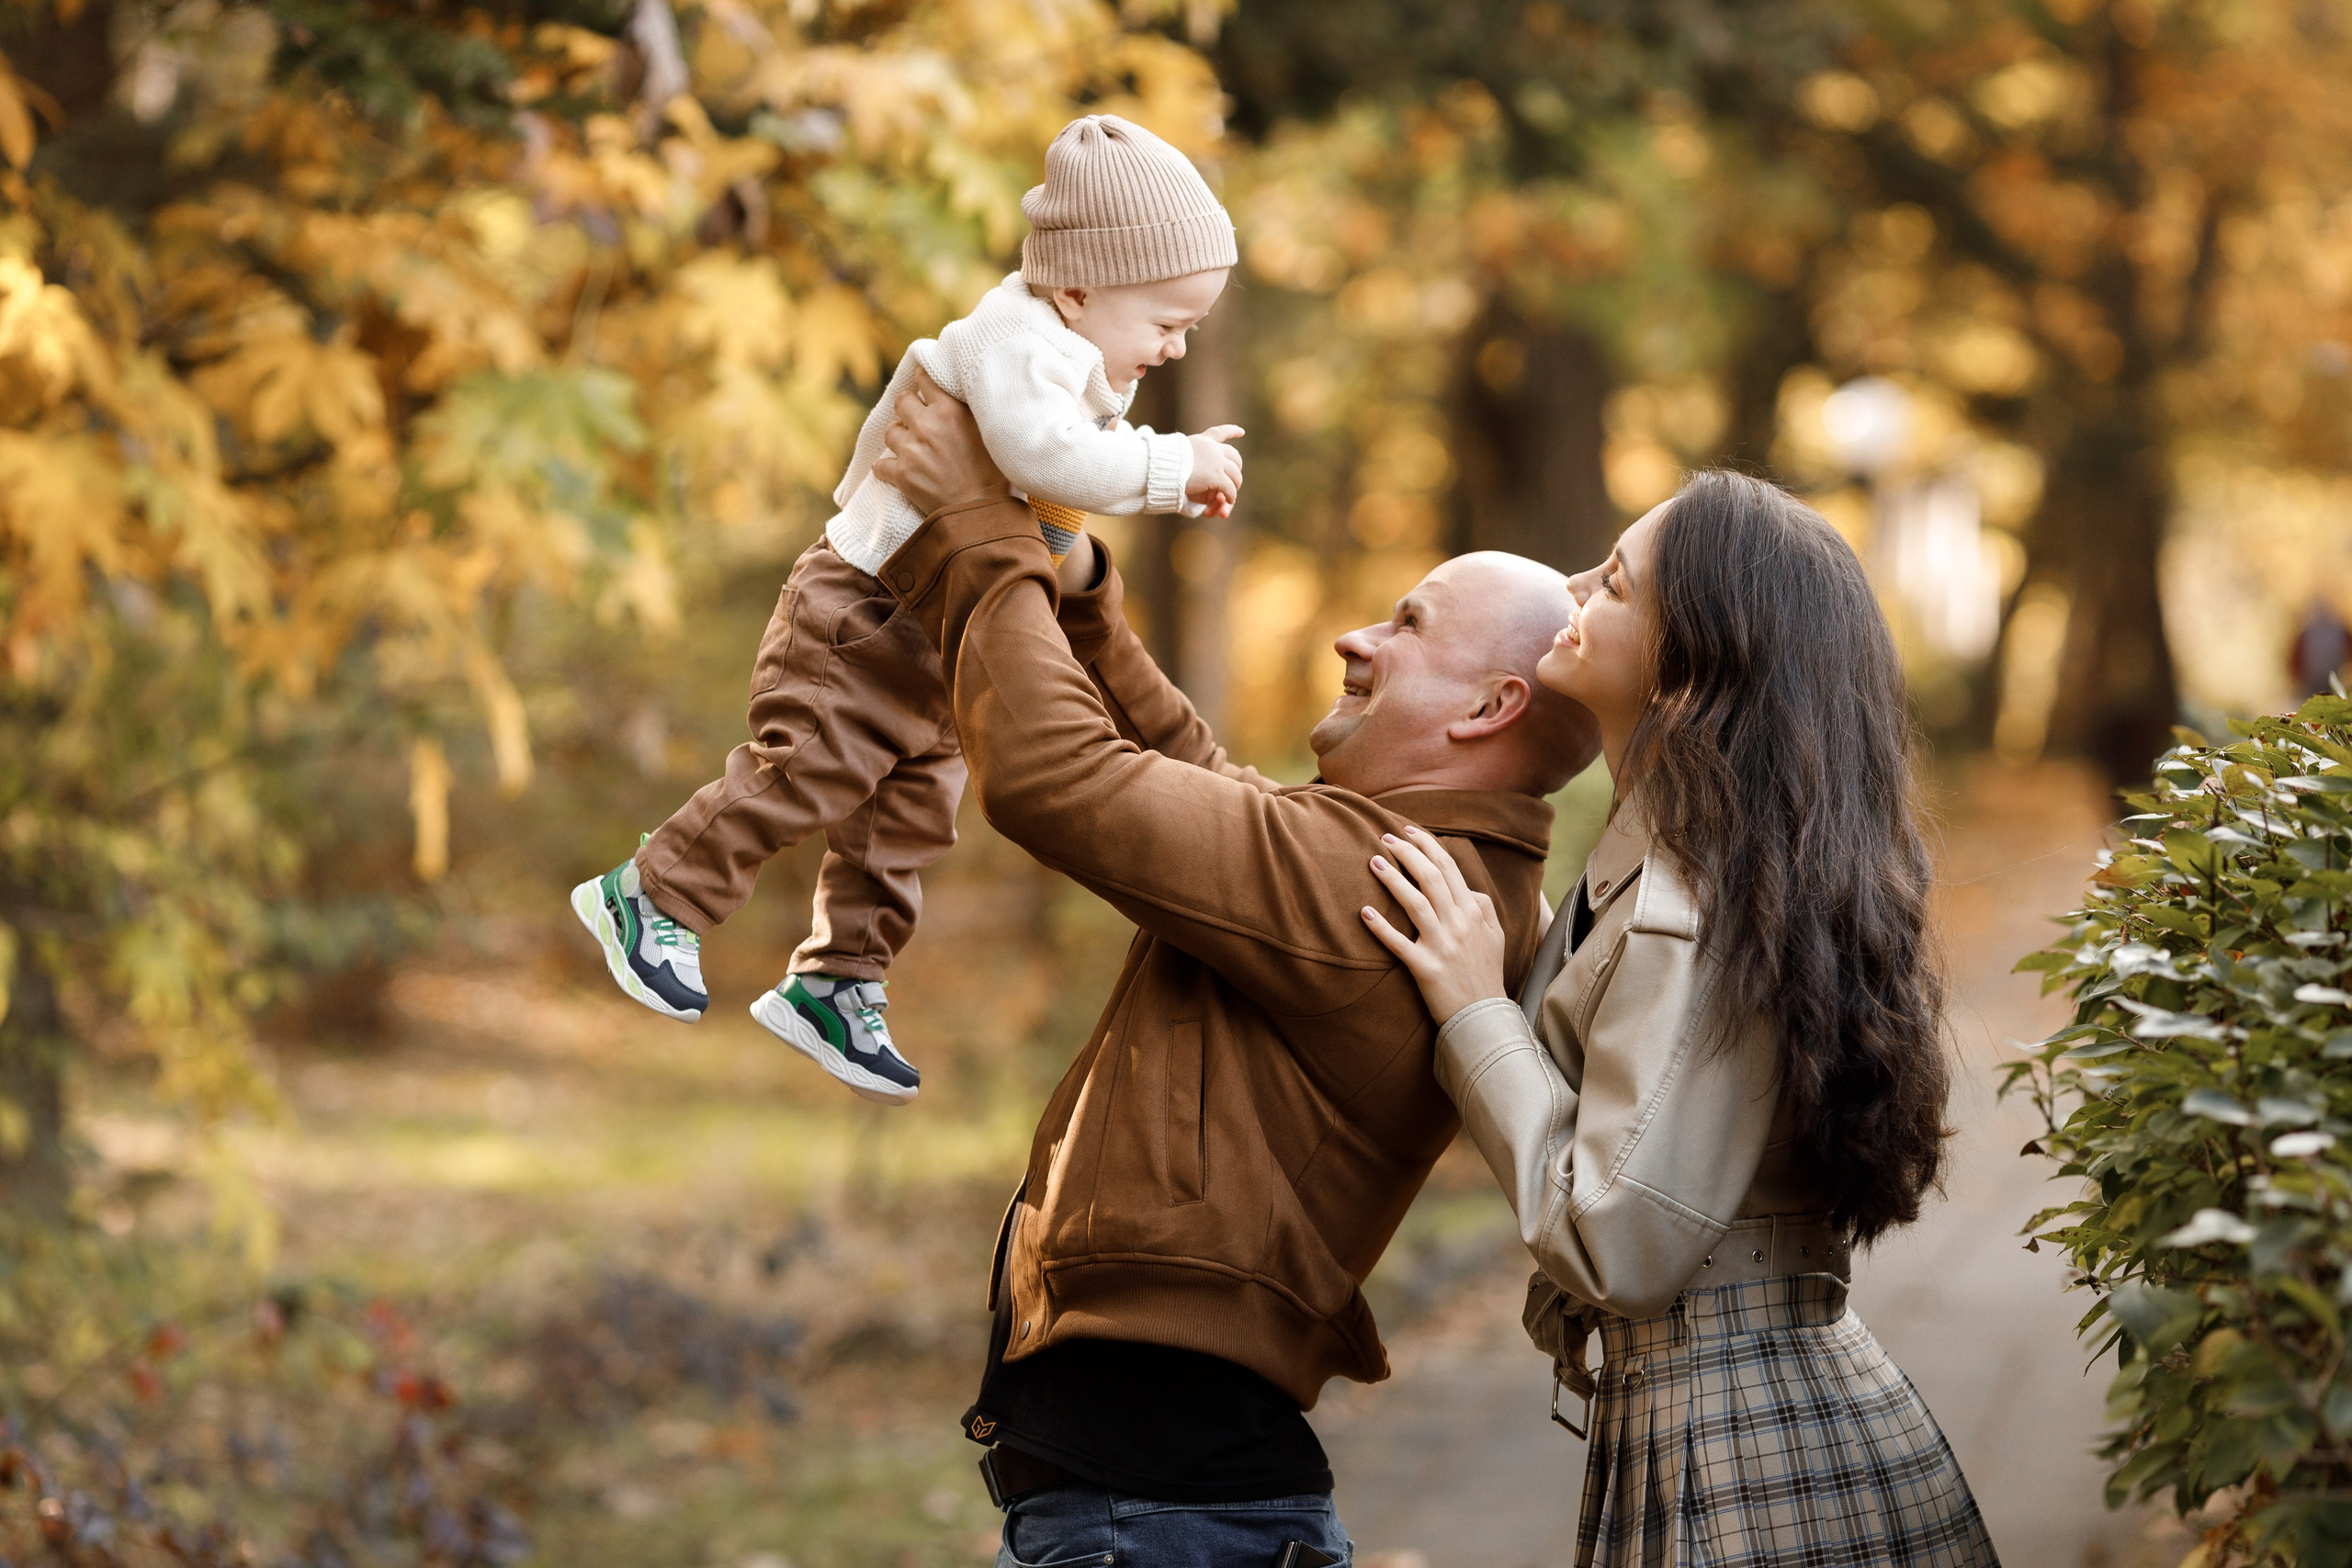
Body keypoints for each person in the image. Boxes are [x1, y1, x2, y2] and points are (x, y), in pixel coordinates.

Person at [864, 369, 1598, 1565]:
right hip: (1166, 1507)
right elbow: (1211, 789)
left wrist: (979, 535)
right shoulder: (1411, 861)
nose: (1355, 637)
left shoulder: (1374, 875)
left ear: (1489, 706)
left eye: (1406, 624)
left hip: (1154, 1518)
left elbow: (1057, 779)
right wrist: (1083, 592)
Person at [1363, 471, 1998, 1567]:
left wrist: (1473, 1012)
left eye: (1612, 583)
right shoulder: (1693, 869)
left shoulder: (1691, 903)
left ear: (1692, 663)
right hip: (1748, 1414)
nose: (1569, 589)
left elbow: (1622, 1239)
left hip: (1739, 1446)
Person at [568, 114, 1248, 1105]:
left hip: (941, 633)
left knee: (911, 817)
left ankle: (838, 979)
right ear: (1078, 289)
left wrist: (1134, 483)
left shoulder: (1072, 360)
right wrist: (1167, 465)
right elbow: (1043, 462)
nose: (1177, 346)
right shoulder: (1014, 341)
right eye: (1166, 321)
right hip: (867, 609)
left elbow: (1049, 503)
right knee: (811, 768)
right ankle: (651, 894)